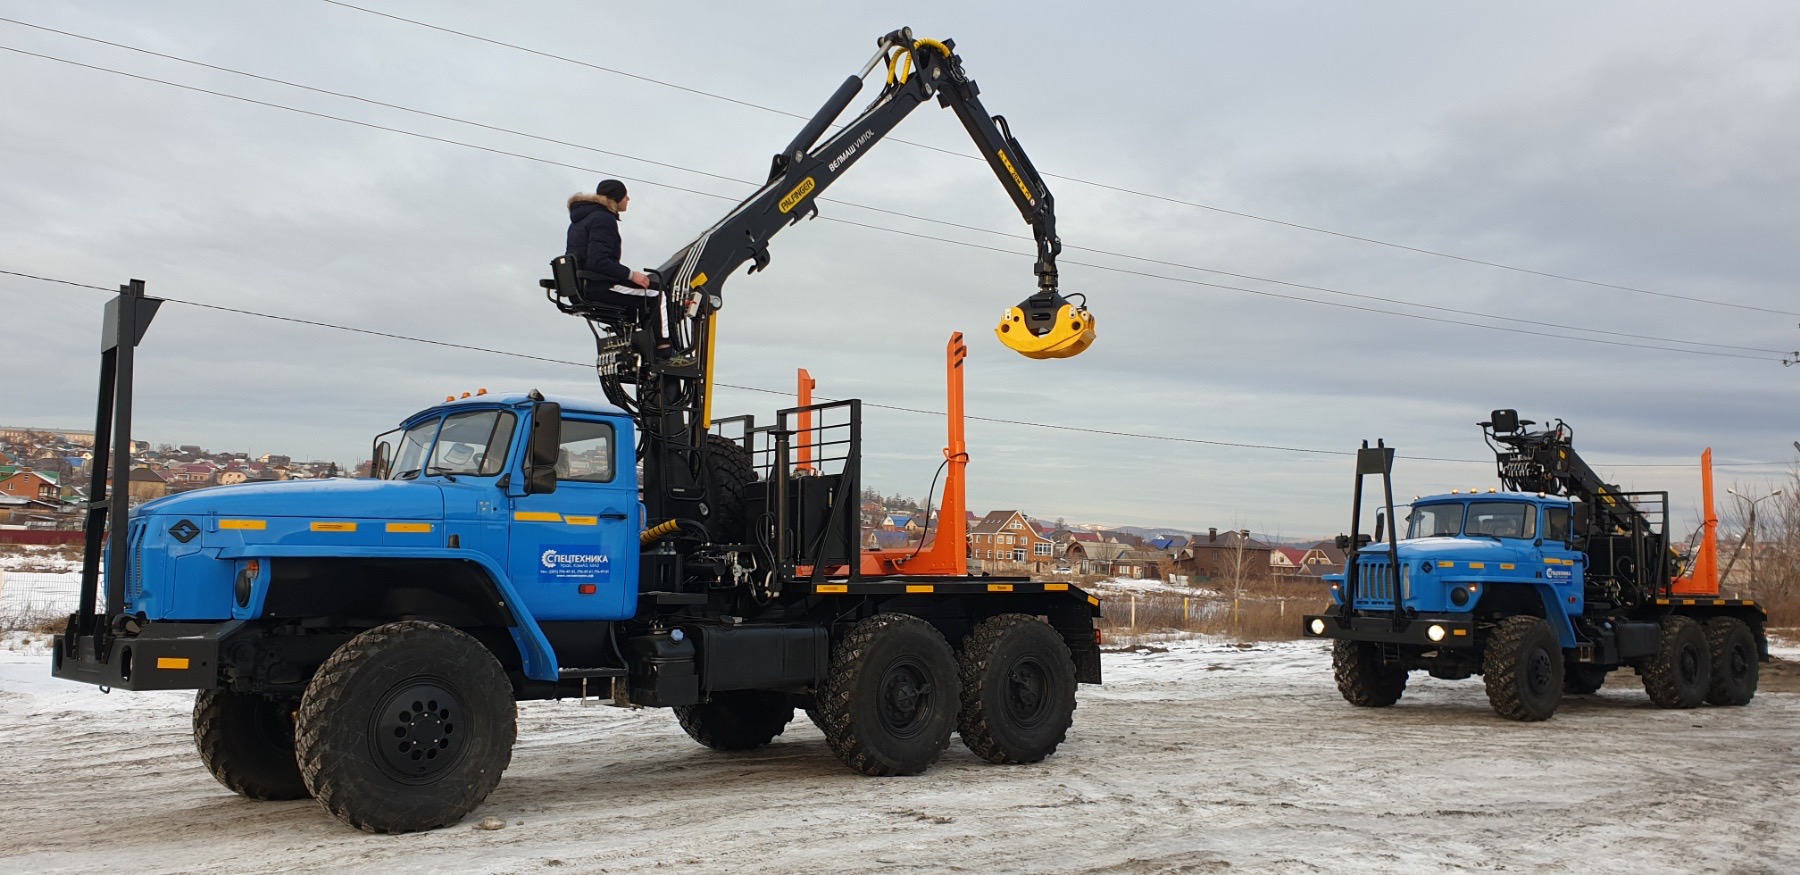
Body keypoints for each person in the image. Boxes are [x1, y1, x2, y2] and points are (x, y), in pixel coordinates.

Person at [566, 179, 677, 358]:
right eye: (625, 195)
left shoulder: (580, 221)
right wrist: (631, 275)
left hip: (585, 286)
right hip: (599, 286)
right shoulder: (604, 219)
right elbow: (598, 261)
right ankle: (665, 350)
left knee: (640, 299)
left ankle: (639, 344)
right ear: (616, 198)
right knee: (659, 294)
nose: (629, 199)